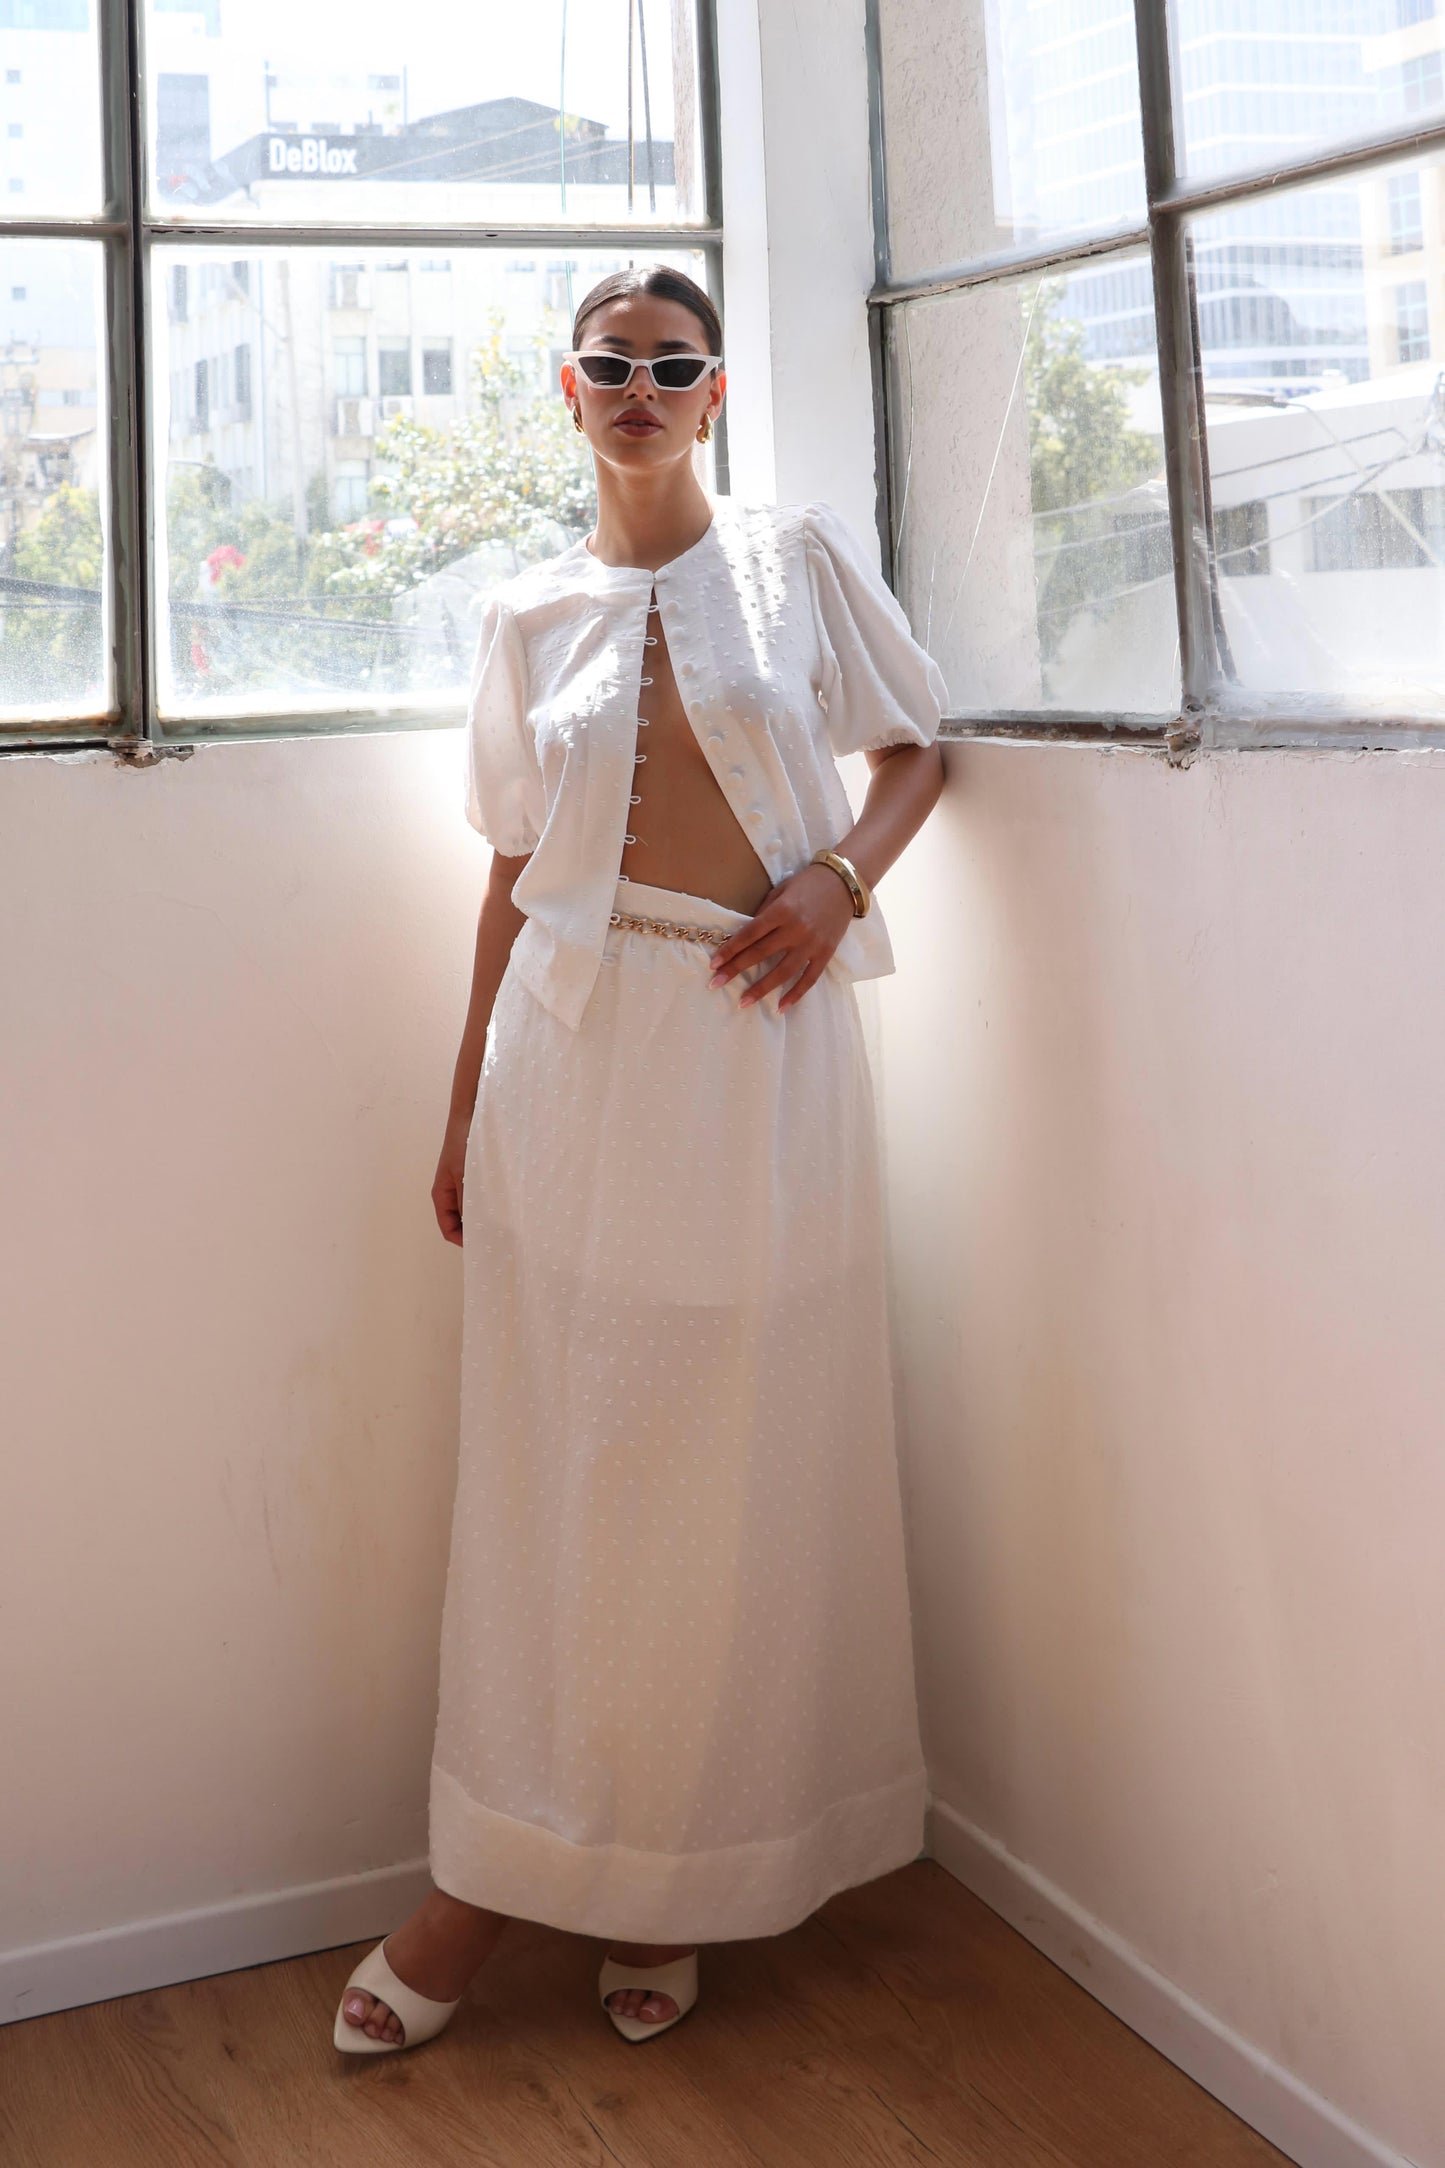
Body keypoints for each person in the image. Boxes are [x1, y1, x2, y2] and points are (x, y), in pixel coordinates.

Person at [333, 264, 948, 2054]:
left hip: (757, 1048)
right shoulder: (528, 613)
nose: (639, 387)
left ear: (714, 391)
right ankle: (506, 1874)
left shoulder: (796, 560)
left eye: (672, 365)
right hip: (570, 1063)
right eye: (609, 362)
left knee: (730, 1464)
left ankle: (671, 1878)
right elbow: (507, 876)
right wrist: (463, 1100)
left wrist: (837, 882)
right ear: (568, 387)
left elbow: (916, 752)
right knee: (569, 1473)